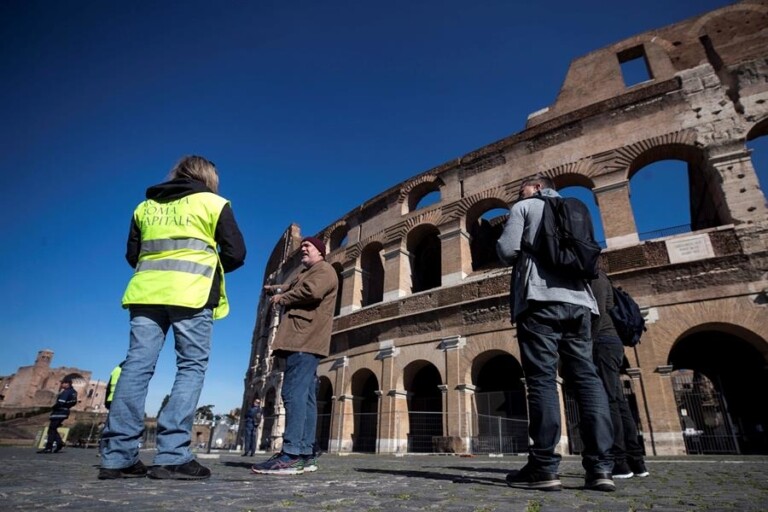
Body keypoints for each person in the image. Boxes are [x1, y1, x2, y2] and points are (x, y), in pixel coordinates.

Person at [98, 155, 246, 480]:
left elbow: (132, 254)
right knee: (190, 367)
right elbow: (236, 253)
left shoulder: (144, 207)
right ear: (208, 177)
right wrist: (206, 262)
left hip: (146, 292)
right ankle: (172, 454)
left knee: (136, 367)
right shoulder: (213, 203)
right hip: (192, 291)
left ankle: (117, 457)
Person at [496, 174, 615, 492]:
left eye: (521, 187)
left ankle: (544, 467)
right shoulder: (576, 208)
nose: (518, 192)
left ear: (536, 187)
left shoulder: (526, 206)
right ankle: (601, 468)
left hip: (539, 301)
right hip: (580, 304)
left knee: (542, 381)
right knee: (587, 380)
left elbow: (506, 251)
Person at [251, 236, 338, 475]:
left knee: (292, 394)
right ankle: (306, 453)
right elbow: (296, 285)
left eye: (307, 246)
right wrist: (277, 288)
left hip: (303, 340)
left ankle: (291, 454)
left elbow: (310, 291)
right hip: (304, 340)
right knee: (307, 398)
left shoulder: (324, 270)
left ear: (321, 251)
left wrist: (281, 298)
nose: (303, 249)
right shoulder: (311, 271)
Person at [591, 268, 649, 478]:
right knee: (619, 402)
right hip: (610, 342)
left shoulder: (596, 276)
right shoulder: (603, 277)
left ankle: (620, 462)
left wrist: (587, 341)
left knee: (611, 402)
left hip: (603, 342)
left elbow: (597, 312)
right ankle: (637, 462)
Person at [38, 376, 78, 454]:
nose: (61, 384)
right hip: (65, 411)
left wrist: (54, 407)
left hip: (59, 412)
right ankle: (59, 443)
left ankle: (49, 447)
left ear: (67, 384)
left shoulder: (66, 392)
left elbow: (60, 402)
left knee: (51, 429)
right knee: (53, 428)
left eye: (63, 383)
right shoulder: (74, 392)